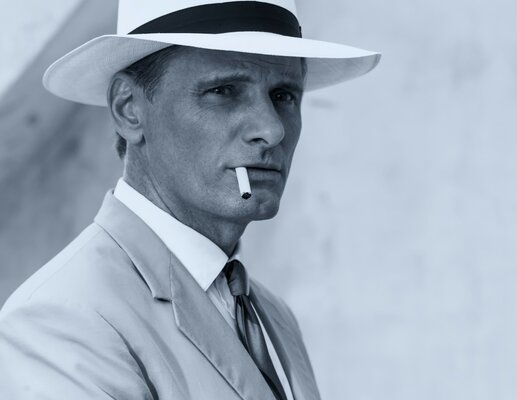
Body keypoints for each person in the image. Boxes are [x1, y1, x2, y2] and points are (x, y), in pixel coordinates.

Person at [0, 1, 380, 399]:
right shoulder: (62, 320)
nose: (271, 130)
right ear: (128, 109)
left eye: (284, 95)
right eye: (223, 91)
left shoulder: (273, 317)